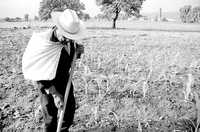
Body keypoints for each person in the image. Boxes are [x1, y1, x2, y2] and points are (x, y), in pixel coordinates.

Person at [22, 9, 85, 132]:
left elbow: (68, 58)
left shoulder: (69, 39)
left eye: (70, 38)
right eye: (66, 37)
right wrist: (55, 95)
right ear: (58, 28)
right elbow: (37, 73)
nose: (68, 40)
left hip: (64, 80)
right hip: (47, 83)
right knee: (50, 117)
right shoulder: (43, 44)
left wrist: (77, 53)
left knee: (68, 111)